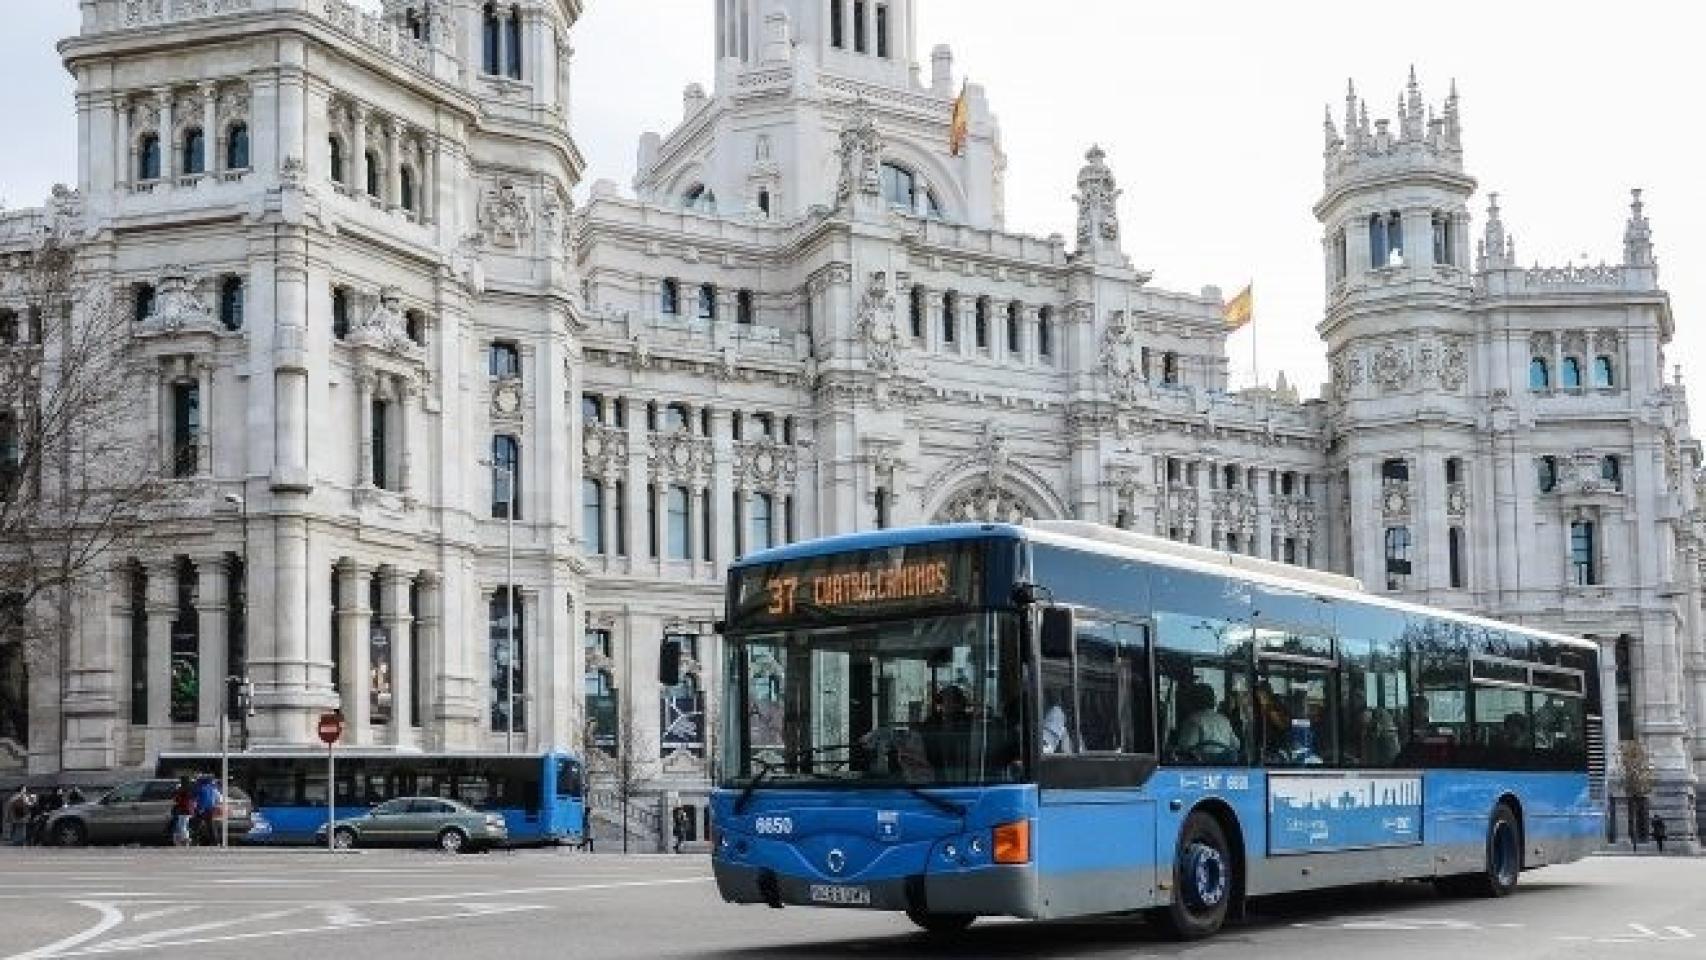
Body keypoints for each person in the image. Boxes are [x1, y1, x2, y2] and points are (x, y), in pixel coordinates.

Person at [1172, 682, 1240, 762]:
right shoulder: (1223, 719)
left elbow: (1185, 747)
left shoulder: (1193, 720)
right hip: (1224, 765)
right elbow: (1236, 744)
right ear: (1213, 700)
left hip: (1201, 766)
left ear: (1194, 700)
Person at [192, 775, 222, 846]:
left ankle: (195, 841)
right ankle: (215, 842)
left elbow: (201, 799)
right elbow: (218, 798)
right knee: (210, 826)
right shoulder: (213, 788)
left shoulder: (201, 788)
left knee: (196, 826)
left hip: (202, 809)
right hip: (211, 809)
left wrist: (200, 808)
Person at [171, 776, 196, 848]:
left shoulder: (182, 789)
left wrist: (176, 791)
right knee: (183, 825)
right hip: (189, 809)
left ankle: (186, 839)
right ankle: (183, 839)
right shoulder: (191, 788)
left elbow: (177, 799)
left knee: (182, 825)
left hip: (183, 809)